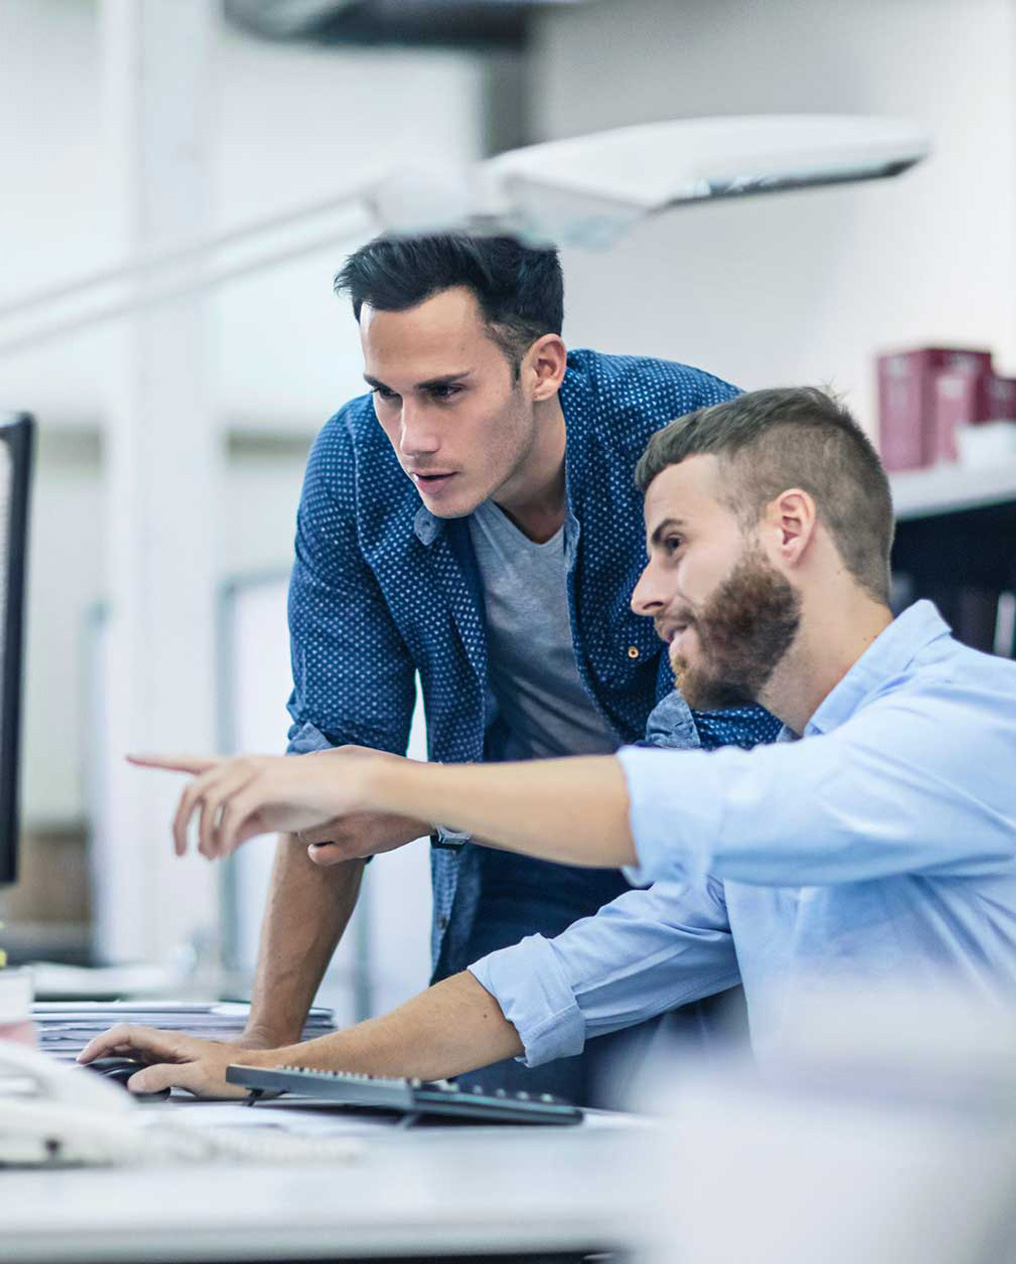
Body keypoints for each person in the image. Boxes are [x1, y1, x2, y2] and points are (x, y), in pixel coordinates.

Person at [81, 386, 1016, 1097]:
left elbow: (668, 808)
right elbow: (544, 986)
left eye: (674, 545)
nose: (645, 594)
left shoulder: (966, 725)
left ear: (788, 526)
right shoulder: (784, 805)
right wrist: (272, 1068)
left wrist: (391, 783)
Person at [228, 233, 779, 1104]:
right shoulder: (357, 466)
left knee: (710, 1130)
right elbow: (336, 766)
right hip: (518, 852)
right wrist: (263, 1050)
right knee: (487, 1127)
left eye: (446, 392)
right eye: (387, 395)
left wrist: (422, 801)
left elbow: (714, 782)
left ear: (544, 367)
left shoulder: (687, 437)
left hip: (714, 857)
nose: (413, 437)